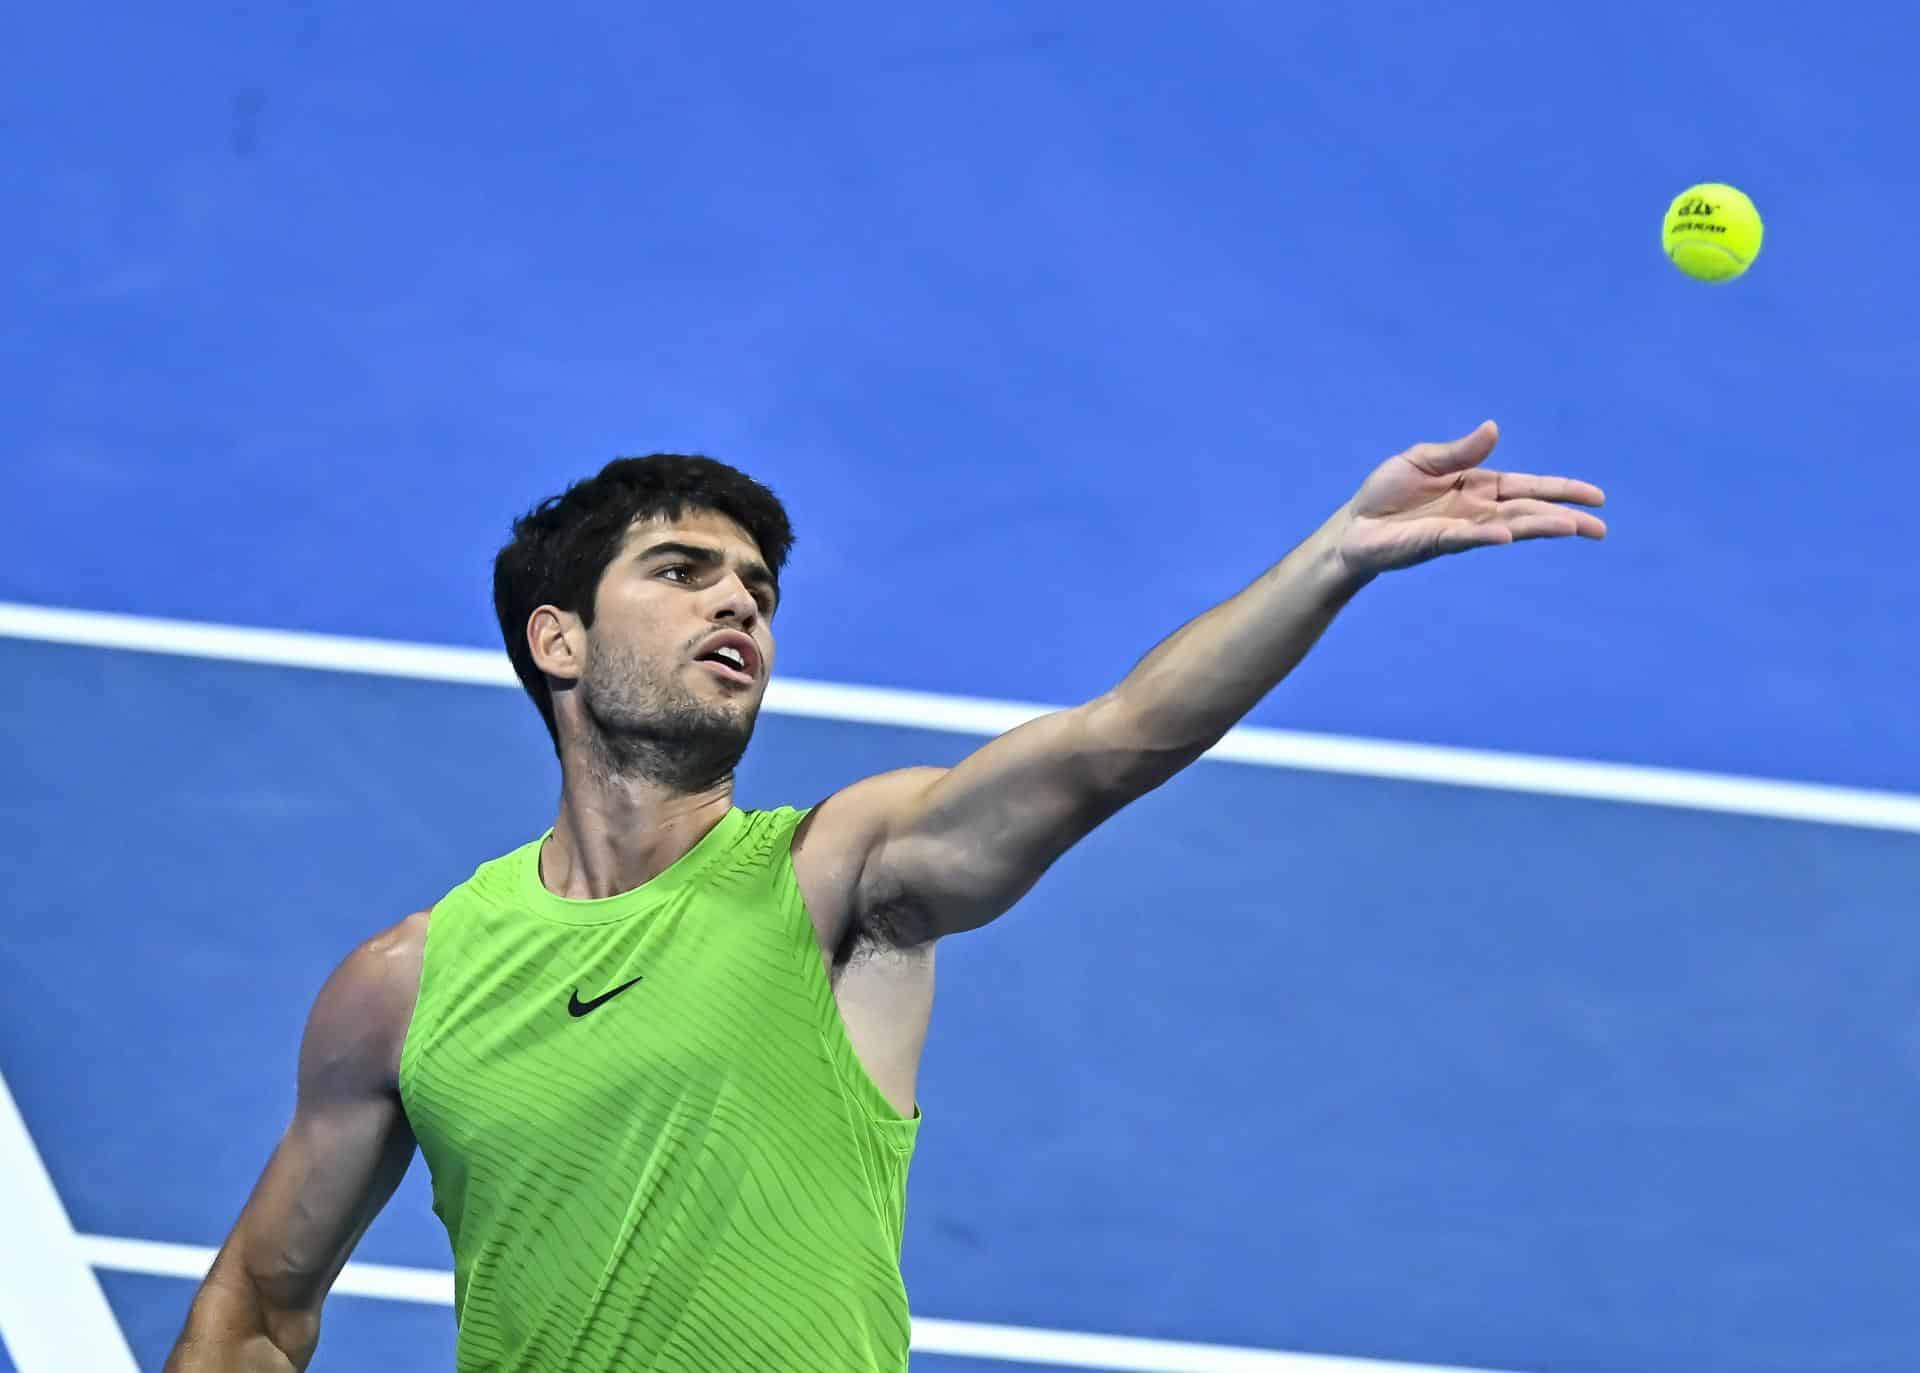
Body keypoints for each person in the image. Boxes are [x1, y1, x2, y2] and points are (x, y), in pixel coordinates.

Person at [165, 422, 1604, 1372]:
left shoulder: (841, 879)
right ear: (558, 637)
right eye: (681, 573)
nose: (740, 604)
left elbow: (1112, 747)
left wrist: (1335, 557)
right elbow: (257, 1308)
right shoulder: (410, 983)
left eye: (758, 587)